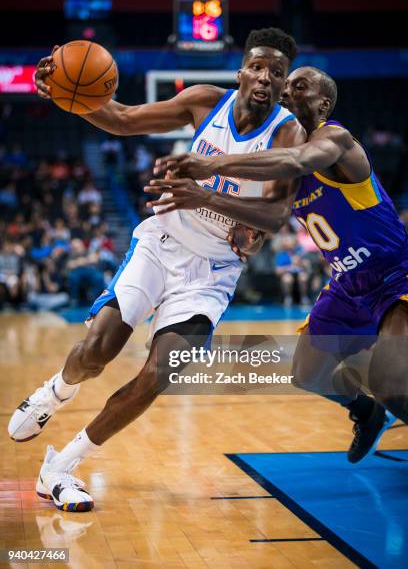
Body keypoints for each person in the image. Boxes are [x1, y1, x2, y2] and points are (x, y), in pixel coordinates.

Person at [8, 28, 306, 512]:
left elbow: (276, 215)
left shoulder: (288, 132)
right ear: (241, 71)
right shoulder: (206, 101)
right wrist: (67, 95)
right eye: (257, 66)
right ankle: (54, 392)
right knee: (98, 352)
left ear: (284, 80)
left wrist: (207, 195)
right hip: (162, 244)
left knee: (162, 370)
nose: (265, 78)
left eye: (276, 72)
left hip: (212, 271)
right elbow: (123, 118)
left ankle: (60, 467)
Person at [147, 65, 408, 461]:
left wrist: (215, 164)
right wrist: (248, 231)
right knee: (307, 373)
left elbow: (295, 159)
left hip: (394, 273)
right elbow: (268, 216)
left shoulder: (335, 138)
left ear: (324, 103)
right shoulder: (283, 170)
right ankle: (367, 413)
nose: (284, 93)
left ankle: (384, 402)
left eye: (298, 87)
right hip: (348, 284)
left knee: (391, 384)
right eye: (284, 88)